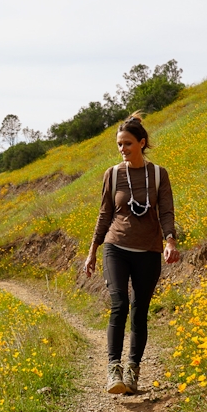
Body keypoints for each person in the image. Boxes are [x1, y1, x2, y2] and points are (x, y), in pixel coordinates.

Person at [83, 112, 179, 394]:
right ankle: (114, 370)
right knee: (119, 303)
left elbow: (166, 210)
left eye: (127, 143)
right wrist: (93, 251)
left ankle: (133, 369)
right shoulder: (112, 175)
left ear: (141, 142)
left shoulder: (159, 174)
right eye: (119, 145)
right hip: (116, 247)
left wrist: (170, 241)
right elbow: (104, 214)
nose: (122, 149)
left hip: (148, 250)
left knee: (139, 312)